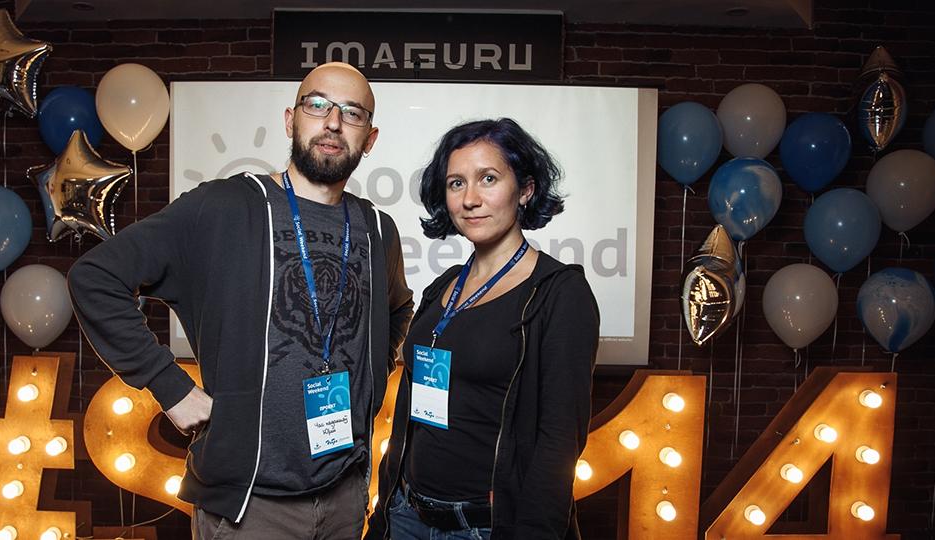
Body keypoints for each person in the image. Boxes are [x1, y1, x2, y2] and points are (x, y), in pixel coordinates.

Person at [68, 62, 413, 539]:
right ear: (291, 120)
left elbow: (398, 309)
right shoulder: (224, 207)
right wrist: (169, 386)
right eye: (318, 105)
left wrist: (366, 387)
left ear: (369, 138)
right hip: (250, 507)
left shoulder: (378, 229)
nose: (333, 122)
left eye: (352, 113)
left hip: (345, 497)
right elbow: (95, 277)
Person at [366, 118, 599, 540]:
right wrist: (387, 506)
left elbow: (558, 442)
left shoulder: (560, 293)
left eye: (488, 178)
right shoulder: (445, 285)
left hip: (484, 527)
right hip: (407, 515)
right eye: (456, 183)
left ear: (525, 189)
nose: (470, 199)